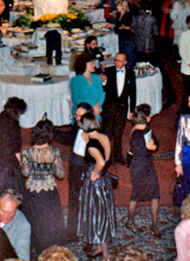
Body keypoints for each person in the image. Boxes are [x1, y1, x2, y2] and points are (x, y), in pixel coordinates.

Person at [21, 118, 66, 254]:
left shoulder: (27, 152)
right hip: (48, 192)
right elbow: (60, 174)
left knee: (34, 221)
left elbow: (25, 172)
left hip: (32, 192)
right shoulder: (54, 152)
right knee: (49, 222)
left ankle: (34, 246)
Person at [77, 113, 116, 261]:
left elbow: (100, 162)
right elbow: (107, 159)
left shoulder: (92, 144)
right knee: (102, 213)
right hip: (104, 180)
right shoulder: (103, 137)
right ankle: (100, 247)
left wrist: (93, 173)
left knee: (97, 216)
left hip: (95, 183)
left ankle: (106, 255)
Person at [52, 103, 93, 242]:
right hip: (75, 167)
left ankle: (90, 233)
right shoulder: (77, 126)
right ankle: (72, 232)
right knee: (73, 200)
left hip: (87, 169)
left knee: (89, 202)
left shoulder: (97, 131)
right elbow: (68, 138)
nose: (77, 118)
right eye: (76, 115)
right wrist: (51, 130)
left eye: (80, 116)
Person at [126, 104, 161, 238]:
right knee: (136, 194)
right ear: (147, 118)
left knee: (155, 194)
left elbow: (156, 141)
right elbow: (140, 151)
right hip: (139, 166)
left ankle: (154, 224)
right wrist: (151, 148)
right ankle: (129, 220)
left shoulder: (146, 129)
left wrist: (154, 146)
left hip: (147, 164)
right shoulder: (136, 133)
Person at [0, 98, 27, 200]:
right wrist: (20, 163)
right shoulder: (14, 123)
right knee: (9, 191)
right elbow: (16, 147)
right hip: (7, 162)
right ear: (18, 111)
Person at [102, 52, 136, 164]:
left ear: (125, 62)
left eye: (120, 61)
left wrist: (132, 110)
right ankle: (107, 157)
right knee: (108, 133)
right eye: (116, 60)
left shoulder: (131, 73)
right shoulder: (108, 71)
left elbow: (133, 93)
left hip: (122, 108)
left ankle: (118, 155)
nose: (117, 62)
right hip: (109, 107)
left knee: (119, 132)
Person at [0, 190, 31, 261]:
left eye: (11, 212)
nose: (6, 216)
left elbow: (23, 258)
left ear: (17, 208)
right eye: (2, 211)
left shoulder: (23, 227)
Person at [114, 0, 137, 68]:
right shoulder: (118, 14)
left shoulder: (128, 15)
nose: (117, 7)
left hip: (128, 37)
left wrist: (124, 27)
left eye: (119, 6)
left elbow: (131, 27)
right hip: (121, 36)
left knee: (128, 54)